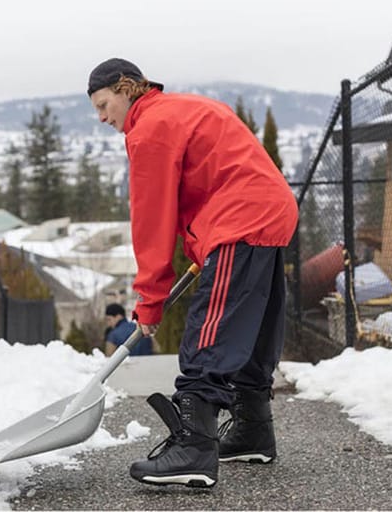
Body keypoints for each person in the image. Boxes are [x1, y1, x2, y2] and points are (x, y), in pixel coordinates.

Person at [87, 58, 298, 488]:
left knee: (210, 331)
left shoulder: (148, 130)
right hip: (270, 212)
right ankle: (252, 430)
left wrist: (150, 300)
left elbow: (152, 220)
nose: (103, 117)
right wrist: (203, 241)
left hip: (240, 218)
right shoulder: (181, 107)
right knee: (250, 326)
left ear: (127, 88)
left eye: (104, 104)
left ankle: (194, 448)